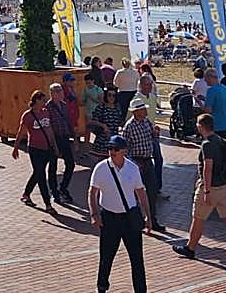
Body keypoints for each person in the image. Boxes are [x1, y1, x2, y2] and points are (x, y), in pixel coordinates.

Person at [172, 113, 226, 263]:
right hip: (223, 187)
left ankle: (190, 248)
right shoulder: (219, 140)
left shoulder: (207, 144)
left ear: (201, 126)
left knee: (198, 218)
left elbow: (208, 168)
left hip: (212, 187)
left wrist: (206, 190)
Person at [89, 134, 150, 293]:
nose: (111, 151)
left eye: (115, 149)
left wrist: (148, 216)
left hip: (130, 218)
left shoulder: (132, 168)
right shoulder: (101, 168)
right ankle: (102, 286)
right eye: (109, 148)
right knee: (106, 257)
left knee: (137, 259)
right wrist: (95, 214)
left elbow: (141, 193)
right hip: (109, 219)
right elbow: (92, 192)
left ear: (124, 150)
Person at [121, 98, 166, 233]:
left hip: (148, 161)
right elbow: (124, 149)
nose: (146, 111)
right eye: (143, 109)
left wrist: (155, 134)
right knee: (135, 194)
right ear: (136, 112)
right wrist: (133, 164)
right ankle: (137, 220)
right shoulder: (129, 127)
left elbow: (151, 138)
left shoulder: (146, 122)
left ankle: (152, 219)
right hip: (137, 163)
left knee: (151, 192)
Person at [12, 90, 57, 213]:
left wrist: (54, 145)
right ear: (36, 100)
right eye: (43, 100)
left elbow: (50, 130)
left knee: (37, 173)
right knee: (41, 175)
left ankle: (26, 194)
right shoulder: (28, 115)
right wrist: (16, 147)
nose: (44, 102)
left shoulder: (46, 112)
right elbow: (21, 132)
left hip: (47, 148)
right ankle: (48, 204)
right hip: (35, 149)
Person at [45, 82, 76, 204]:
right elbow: (49, 128)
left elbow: (69, 122)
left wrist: (75, 138)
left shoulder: (64, 105)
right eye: (57, 91)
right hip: (54, 139)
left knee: (70, 164)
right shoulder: (47, 108)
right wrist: (54, 145)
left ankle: (63, 187)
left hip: (65, 138)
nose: (60, 93)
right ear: (52, 93)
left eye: (61, 91)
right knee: (53, 166)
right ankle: (54, 191)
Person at [90, 87, 125, 155]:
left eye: (113, 95)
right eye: (109, 95)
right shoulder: (101, 108)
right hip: (102, 140)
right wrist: (103, 126)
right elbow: (92, 121)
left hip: (114, 140)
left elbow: (120, 122)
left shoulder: (117, 108)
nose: (111, 97)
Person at [203, 68, 226, 141]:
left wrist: (200, 103)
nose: (205, 80)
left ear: (210, 77)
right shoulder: (225, 88)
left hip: (216, 127)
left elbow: (208, 110)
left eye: (205, 78)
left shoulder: (211, 90)